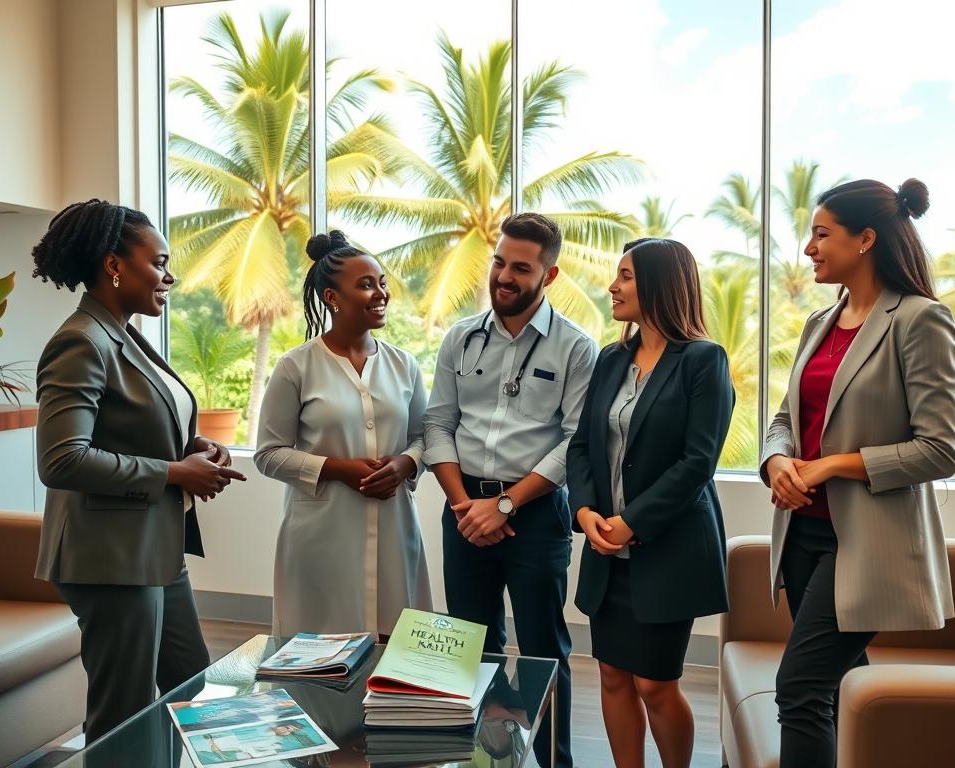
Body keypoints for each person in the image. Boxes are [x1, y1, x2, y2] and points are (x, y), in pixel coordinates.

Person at [761, 178, 955, 768]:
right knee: (843, 685)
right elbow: (783, 419)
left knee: (799, 687)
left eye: (822, 234)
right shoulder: (819, 323)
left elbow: (938, 449)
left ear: (866, 239)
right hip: (802, 536)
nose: (808, 249)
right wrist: (776, 461)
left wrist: (830, 466)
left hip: (867, 544)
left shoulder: (921, 320)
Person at [31, 199, 246, 743]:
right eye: (159, 263)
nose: (169, 276)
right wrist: (175, 472)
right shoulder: (80, 340)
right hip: (110, 557)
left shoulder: (122, 332)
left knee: (191, 685)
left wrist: (196, 445)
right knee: (122, 713)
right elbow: (62, 459)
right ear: (114, 266)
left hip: (153, 549)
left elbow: (134, 421)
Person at [424, 212, 598, 768]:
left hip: (536, 512)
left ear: (547, 276)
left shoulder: (575, 348)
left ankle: (554, 761)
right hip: (464, 505)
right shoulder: (460, 337)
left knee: (546, 648)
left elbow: (575, 443)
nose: (503, 275)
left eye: (519, 267)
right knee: (470, 646)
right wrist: (463, 507)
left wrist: (503, 505)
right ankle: (482, 760)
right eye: (499, 262)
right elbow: (438, 425)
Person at [566, 238, 734, 768]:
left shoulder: (703, 361)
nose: (612, 287)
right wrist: (586, 511)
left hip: (669, 549)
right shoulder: (611, 359)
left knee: (655, 684)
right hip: (604, 545)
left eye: (625, 276)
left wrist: (632, 524)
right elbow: (582, 445)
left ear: (661, 283)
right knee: (613, 675)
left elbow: (697, 462)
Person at [254, 230, 432, 638]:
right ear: (332, 298)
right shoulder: (295, 367)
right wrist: (338, 469)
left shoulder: (404, 365)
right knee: (318, 654)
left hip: (394, 528)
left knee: (394, 652)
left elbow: (425, 438)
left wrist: (405, 463)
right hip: (320, 539)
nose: (381, 294)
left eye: (382, 283)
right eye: (366, 285)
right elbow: (268, 454)